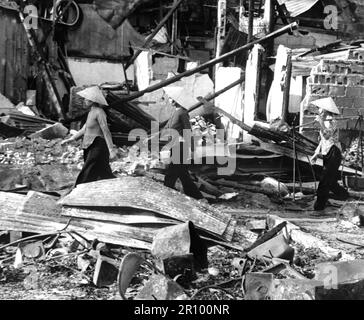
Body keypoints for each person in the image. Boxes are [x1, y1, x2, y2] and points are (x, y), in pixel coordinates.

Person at [62, 86, 117, 186]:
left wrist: (111, 149)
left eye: (86, 99)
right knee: (104, 173)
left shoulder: (99, 112)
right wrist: (71, 139)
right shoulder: (91, 112)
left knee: (87, 171)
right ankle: (115, 187)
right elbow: (84, 129)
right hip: (89, 146)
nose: (84, 101)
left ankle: (78, 190)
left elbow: (106, 131)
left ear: (91, 101)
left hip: (98, 146)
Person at [161, 86, 204, 200]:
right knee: (183, 175)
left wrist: (193, 149)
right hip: (174, 146)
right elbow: (166, 128)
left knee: (171, 174)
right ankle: (198, 197)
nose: (169, 100)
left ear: (175, 99)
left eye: (170, 98)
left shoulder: (182, 112)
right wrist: (151, 137)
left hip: (180, 147)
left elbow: (188, 131)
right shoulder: (175, 113)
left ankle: (164, 197)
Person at [310, 97, 349, 211]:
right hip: (327, 152)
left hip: (334, 152)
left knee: (325, 180)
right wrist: (316, 153)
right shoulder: (325, 121)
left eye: (320, 108)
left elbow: (327, 136)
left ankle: (319, 208)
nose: (319, 110)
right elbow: (323, 140)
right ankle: (345, 196)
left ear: (326, 109)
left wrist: (321, 123)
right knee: (330, 180)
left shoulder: (331, 121)